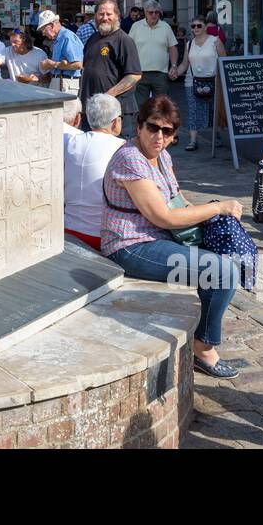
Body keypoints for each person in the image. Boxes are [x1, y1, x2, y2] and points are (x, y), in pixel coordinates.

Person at [101, 95, 245, 379]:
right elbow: (163, 216)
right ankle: (203, 348)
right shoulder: (130, 159)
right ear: (139, 126)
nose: (159, 136)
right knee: (222, 272)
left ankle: (202, 333)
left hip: (162, 238)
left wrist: (209, 219)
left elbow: (177, 200)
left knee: (230, 257)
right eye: (153, 128)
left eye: (167, 132)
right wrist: (217, 206)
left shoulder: (162, 156)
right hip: (130, 245)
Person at [63, 93, 125, 250]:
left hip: (68, 229)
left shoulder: (71, 141)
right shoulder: (123, 148)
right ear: (115, 122)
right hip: (104, 235)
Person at [82, 0, 143, 136]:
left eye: (109, 14)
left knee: (115, 154)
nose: (105, 18)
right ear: (95, 16)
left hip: (114, 114)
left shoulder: (124, 40)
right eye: (101, 14)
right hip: (93, 111)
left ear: (117, 16)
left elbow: (134, 75)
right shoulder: (93, 39)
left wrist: (107, 96)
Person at [175, 16, 226, 151]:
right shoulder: (189, 44)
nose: (196, 28)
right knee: (193, 110)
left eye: (199, 25)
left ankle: (217, 135)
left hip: (212, 81)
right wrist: (176, 72)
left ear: (205, 27)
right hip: (192, 81)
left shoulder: (215, 41)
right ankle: (193, 140)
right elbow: (185, 64)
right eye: (193, 26)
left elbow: (224, 61)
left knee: (212, 110)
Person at [129, 0, 178, 103]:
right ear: (145, 13)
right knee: (140, 106)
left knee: (160, 107)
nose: (154, 15)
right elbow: (129, 48)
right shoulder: (136, 26)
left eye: (156, 12)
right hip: (140, 73)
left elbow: (173, 47)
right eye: (151, 12)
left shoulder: (166, 27)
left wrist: (174, 66)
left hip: (161, 74)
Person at [37, 11, 84, 93]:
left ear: (51, 25)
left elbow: (78, 64)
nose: (43, 34)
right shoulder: (58, 38)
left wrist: (52, 64)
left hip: (66, 82)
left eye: (43, 30)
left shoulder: (67, 36)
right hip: (61, 81)